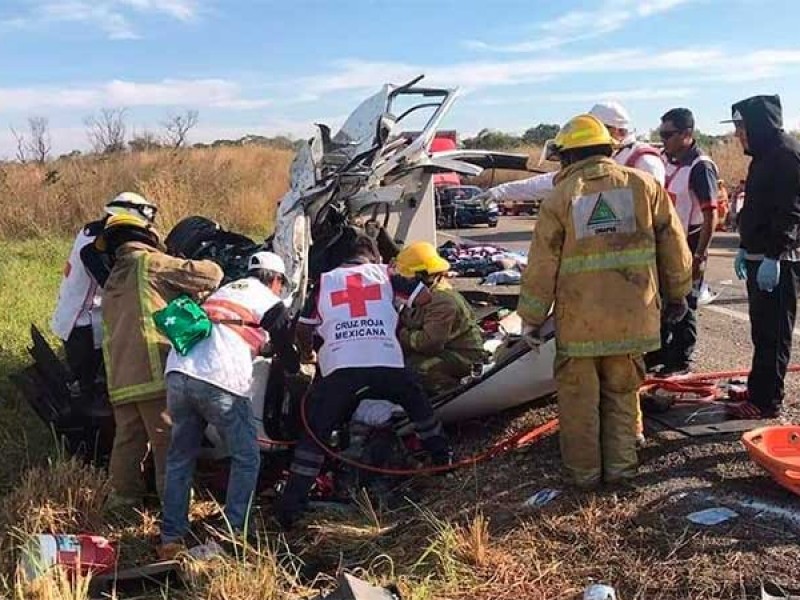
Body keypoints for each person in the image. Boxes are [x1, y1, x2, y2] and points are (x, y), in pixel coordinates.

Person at [517, 114, 691, 488]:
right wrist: (678, 295)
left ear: (569, 156)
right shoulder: (643, 186)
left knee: (579, 404)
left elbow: (541, 265)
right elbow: (674, 246)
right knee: (623, 398)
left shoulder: (561, 197)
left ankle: (584, 479)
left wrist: (530, 320)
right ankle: (621, 473)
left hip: (579, 326)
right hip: (633, 320)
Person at [276, 234, 453, 526]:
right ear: (373, 256)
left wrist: (309, 352)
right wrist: (394, 306)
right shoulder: (384, 274)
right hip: (386, 362)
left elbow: (304, 329)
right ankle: (442, 460)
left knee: (316, 433)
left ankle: (291, 506)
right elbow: (424, 296)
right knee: (418, 405)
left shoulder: (325, 281)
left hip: (341, 368)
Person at [159, 251, 300, 557]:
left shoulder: (224, 292)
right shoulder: (267, 298)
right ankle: (234, 533)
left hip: (179, 373)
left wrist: (263, 348)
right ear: (276, 280)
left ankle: (170, 538)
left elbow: (232, 330)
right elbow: (286, 338)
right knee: (247, 457)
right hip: (218, 379)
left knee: (180, 458)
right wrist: (293, 368)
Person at [98, 213, 224, 506]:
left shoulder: (113, 280)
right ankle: (177, 505)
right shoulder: (150, 263)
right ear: (147, 236)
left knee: (128, 440)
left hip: (120, 378)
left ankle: (123, 499)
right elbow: (210, 275)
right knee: (168, 439)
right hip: (153, 370)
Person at [50, 192, 158, 459]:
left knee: (98, 387)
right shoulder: (94, 240)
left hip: (90, 321)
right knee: (91, 392)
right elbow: (109, 278)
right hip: (81, 324)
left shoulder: (97, 232)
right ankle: (90, 449)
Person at [726, 94, 800, 419]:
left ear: (757, 124)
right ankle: (759, 388)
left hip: (779, 260)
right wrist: (745, 245)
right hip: (759, 255)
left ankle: (767, 401)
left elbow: (790, 212)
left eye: (741, 126)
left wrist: (774, 256)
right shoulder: (763, 156)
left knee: (774, 332)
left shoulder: (786, 155)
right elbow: (757, 207)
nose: (737, 134)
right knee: (762, 328)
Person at [645, 108, 719, 375]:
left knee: (684, 304)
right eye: (661, 134)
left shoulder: (700, 167)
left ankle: (681, 360)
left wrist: (699, 256)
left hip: (689, 245)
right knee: (662, 302)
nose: (663, 139)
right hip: (666, 246)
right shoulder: (665, 161)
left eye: (668, 134)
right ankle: (659, 353)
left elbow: (712, 214)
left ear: (687, 134)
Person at [479, 101, 665, 207]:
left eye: (597, 128)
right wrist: (498, 192)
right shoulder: (603, 158)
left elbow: (657, 211)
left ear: (618, 130)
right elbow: (550, 182)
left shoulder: (645, 162)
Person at [394, 242, 485, 394]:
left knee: (419, 369)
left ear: (422, 276)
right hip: (446, 350)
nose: (404, 282)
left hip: (465, 356)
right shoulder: (425, 293)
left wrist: (400, 334)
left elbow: (429, 343)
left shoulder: (442, 300)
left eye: (407, 278)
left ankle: (453, 393)